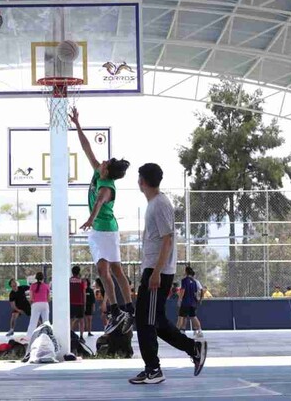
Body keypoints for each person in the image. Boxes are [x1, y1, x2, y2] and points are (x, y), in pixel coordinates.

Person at [129, 164, 206, 385]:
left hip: (157, 273)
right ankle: (193, 348)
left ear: (142, 181)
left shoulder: (160, 204)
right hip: (155, 271)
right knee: (155, 320)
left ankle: (154, 369)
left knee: (145, 321)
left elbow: (168, 239)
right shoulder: (154, 203)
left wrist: (156, 272)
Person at [70, 107, 134, 335]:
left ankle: (127, 308)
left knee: (113, 270)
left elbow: (98, 202)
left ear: (108, 170)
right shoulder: (99, 172)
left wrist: (89, 218)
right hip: (98, 230)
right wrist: (77, 124)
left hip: (106, 230)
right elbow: (87, 148)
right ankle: (118, 308)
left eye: (106, 162)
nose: (103, 160)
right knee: (104, 269)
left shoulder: (107, 186)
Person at [177, 266, 203, 338]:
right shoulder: (194, 281)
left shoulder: (184, 280)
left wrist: (179, 299)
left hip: (185, 302)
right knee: (193, 317)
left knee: (181, 316)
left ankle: (176, 332)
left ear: (186, 272)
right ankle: (200, 331)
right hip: (193, 302)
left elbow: (183, 290)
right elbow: (195, 293)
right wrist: (198, 300)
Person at [26, 272, 50, 339]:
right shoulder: (46, 286)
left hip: (36, 304)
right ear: (43, 278)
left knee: (33, 322)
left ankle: (28, 338)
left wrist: (32, 304)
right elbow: (48, 299)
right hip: (45, 304)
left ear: (36, 278)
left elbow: (31, 299)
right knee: (46, 322)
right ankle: (47, 337)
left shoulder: (32, 286)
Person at [70, 266, 87, 341]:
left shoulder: (69, 281)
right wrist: (85, 303)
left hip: (71, 303)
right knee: (81, 320)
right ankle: (81, 336)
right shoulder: (81, 281)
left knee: (70, 319)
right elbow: (83, 293)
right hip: (80, 303)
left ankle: (70, 334)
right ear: (79, 272)